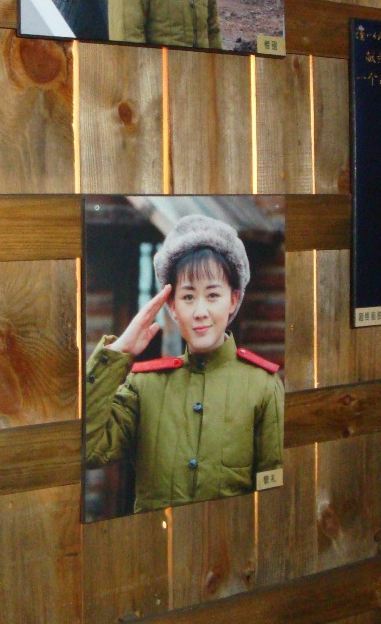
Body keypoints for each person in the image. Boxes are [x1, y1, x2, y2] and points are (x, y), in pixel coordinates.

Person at [84, 214, 283, 513]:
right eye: (188, 297)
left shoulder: (263, 387)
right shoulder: (144, 386)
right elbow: (87, 448)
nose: (200, 311)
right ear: (172, 306)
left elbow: (273, 496)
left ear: (233, 299)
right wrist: (118, 350)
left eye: (213, 295)